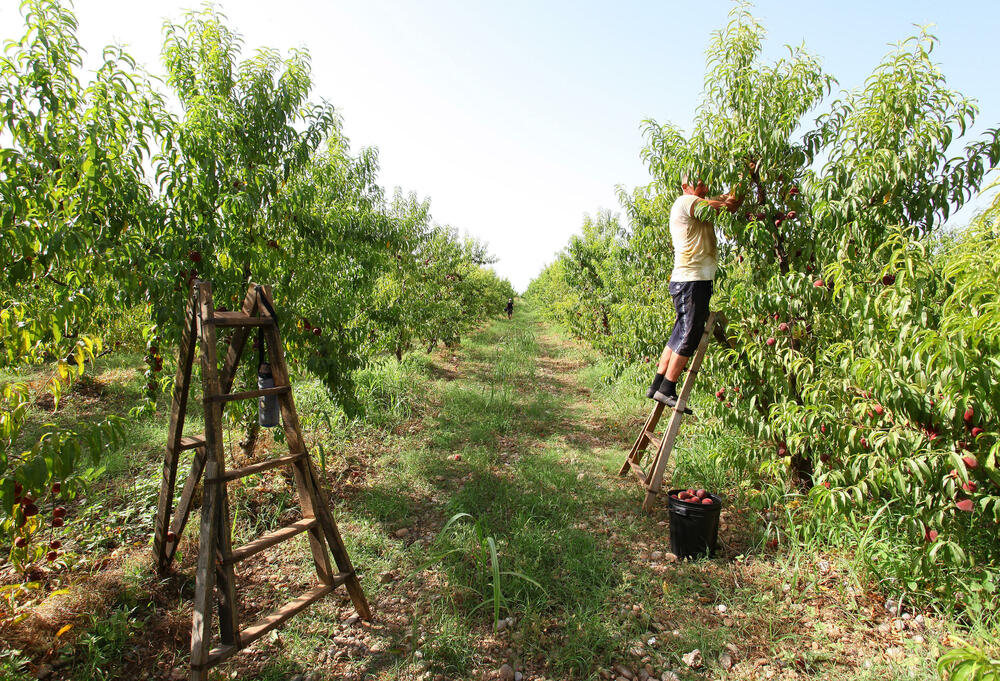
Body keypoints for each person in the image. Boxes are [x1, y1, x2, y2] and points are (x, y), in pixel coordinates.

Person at [647, 177, 741, 408]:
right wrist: (741, 179)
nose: (705, 186)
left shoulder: (699, 203)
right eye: (698, 182)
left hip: (687, 281)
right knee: (690, 335)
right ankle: (668, 388)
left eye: (706, 181)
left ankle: (657, 384)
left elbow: (728, 201)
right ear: (685, 186)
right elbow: (729, 205)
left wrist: (740, 182)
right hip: (693, 281)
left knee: (679, 333)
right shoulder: (686, 201)